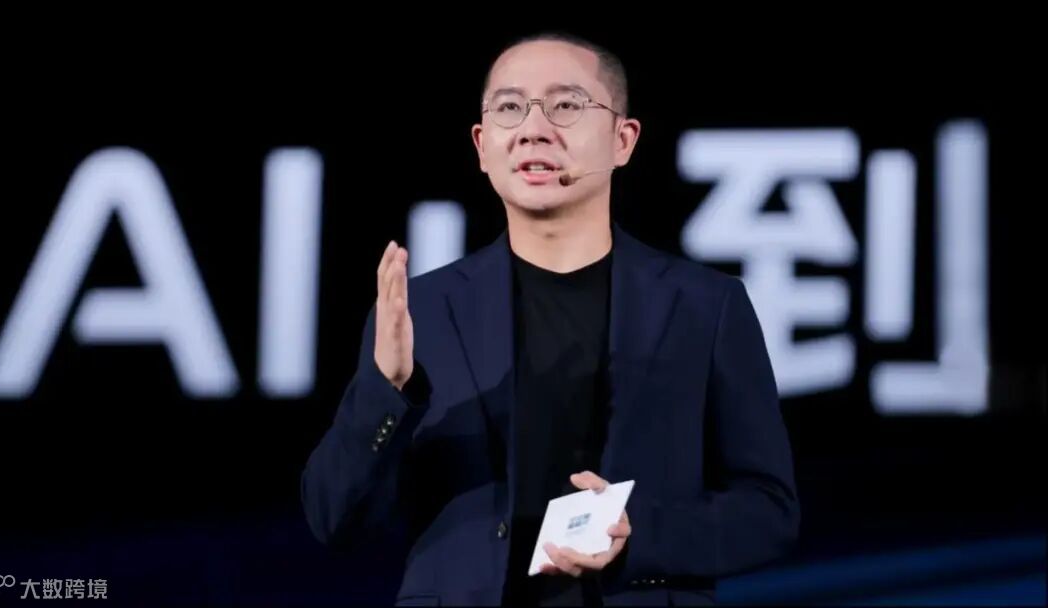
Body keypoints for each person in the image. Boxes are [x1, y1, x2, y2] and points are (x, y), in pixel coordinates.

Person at [301, 32, 799, 607]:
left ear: (623, 140)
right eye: (510, 108)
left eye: (565, 105)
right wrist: (387, 389)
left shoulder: (704, 307)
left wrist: (639, 535)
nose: (533, 129)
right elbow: (333, 519)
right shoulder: (422, 312)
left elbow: (769, 509)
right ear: (482, 145)